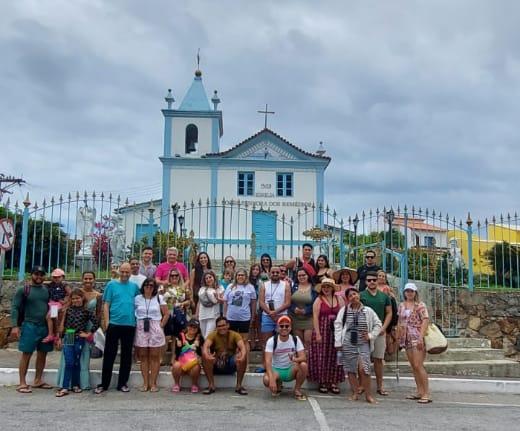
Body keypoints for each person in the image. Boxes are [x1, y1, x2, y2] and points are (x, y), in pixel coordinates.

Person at [95, 262, 140, 394]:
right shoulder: (111, 285)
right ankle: (104, 384)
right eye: (123, 271)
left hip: (129, 324)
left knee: (126, 356)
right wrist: (107, 322)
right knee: (109, 355)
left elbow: (139, 303)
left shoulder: (134, 287)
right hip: (114, 324)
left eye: (127, 272)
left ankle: (122, 383)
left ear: (130, 272)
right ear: (119, 271)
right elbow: (106, 304)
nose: (125, 274)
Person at [10, 266, 54, 393]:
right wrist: (14, 326)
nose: (39, 277)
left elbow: (52, 306)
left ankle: (38, 380)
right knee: (26, 354)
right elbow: (15, 308)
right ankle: (22, 383)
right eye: (36, 274)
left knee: (42, 354)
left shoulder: (46, 290)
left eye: (41, 274)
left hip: (44, 326)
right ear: (31, 275)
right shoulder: (23, 290)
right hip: (29, 325)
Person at [334, 288, 382, 404]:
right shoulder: (344, 310)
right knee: (350, 369)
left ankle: (368, 395)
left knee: (364, 368)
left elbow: (378, 324)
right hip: (348, 341)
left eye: (355, 294)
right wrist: (338, 342)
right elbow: (338, 325)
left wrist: (370, 335)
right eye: (350, 296)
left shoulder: (368, 311)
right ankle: (355, 392)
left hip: (363, 342)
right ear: (348, 299)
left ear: (359, 295)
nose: (353, 297)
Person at [56, 271, 102, 390]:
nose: (88, 281)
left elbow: (98, 315)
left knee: (83, 356)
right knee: (69, 357)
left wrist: (91, 333)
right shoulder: (76, 293)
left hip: (85, 330)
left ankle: (80, 383)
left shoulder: (98, 295)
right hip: (71, 331)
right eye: (85, 278)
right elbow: (65, 312)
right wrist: (59, 334)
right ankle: (65, 384)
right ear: (82, 279)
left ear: (94, 279)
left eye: (90, 278)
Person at [308, 278, 345, 394]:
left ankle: (334, 381)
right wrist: (318, 333)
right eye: (324, 287)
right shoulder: (318, 300)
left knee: (335, 355)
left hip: (336, 330)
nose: (326, 289)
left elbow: (343, 315)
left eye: (328, 287)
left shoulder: (339, 299)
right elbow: (315, 317)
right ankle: (322, 381)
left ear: (333, 288)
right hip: (323, 329)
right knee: (322, 355)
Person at [397, 283, 431, 404]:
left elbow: (425, 320)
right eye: (407, 291)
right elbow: (400, 322)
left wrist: (421, 337)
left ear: (415, 292)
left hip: (416, 336)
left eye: (411, 291)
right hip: (406, 338)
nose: (409, 293)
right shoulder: (401, 305)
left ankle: (426, 393)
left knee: (418, 365)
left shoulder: (420, 305)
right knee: (413, 366)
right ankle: (419, 391)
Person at [360, 271, 392, 396]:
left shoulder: (384, 296)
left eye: (374, 279)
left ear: (378, 281)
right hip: (365, 332)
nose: (372, 282)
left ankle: (380, 386)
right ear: (366, 282)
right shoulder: (361, 295)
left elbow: (389, 312)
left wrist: (384, 327)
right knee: (363, 360)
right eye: (369, 280)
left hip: (379, 332)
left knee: (378, 359)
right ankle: (362, 385)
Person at [134, 278, 169, 392]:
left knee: (154, 356)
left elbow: (166, 314)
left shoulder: (159, 298)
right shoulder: (137, 299)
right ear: (143, 286)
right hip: (141, 326)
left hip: (155, 326)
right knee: (143, 356)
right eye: (146, 285)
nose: (149, 287)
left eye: (151, 285)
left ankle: (153, 383)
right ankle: (145, 383)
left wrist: (161, 325)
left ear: (154, 287)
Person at [263, 316, 308, 400]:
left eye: (287, 326)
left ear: (290, 328)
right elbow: (267, 361)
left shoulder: (296, 339)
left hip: (290, 369)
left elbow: (303, 357)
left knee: (304, 365)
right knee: (266, 380)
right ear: (277, 328)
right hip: (276, 370)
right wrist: (272, 379)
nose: (284, 328)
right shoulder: (271, 341)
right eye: (281, 326)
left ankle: (297, 389)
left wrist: (295, 359)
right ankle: (278, 384)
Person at [201, 316, 248, 395]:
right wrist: (207, 355)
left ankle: (239, 386)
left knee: (242, 355)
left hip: (230, 363)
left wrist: (242, 356)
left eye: (223, 325)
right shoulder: (212, 335)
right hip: (216, 362)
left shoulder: (235, 335)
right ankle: (211, 385)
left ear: (228, 325)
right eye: (219, 326)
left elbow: (242, 347)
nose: (222, 328)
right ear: (216, 328)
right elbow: (206, 346)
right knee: (205, 356)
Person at [259, 266, 292, 352]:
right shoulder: (264, 285)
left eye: (277, 272)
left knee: (282, 343)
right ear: (269, 273)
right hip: (267, 317)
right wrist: (270, 313)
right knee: (266, 344)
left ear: (280, 273)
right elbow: (261, 302)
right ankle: (266, 365)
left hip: (282, 316)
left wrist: (275, 312)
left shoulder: (286, 285)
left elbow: (287, 303)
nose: (275, 274)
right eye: (273, 272)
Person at [223, 268, 257, 342]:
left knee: (244, 340)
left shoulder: (250, 287)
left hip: (244, 318)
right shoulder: (230, 286)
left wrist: (253, 316)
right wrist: (224, 316)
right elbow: (225, 302)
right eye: (238, 275)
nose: (240, 277)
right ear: (236, 276)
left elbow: (253, 303)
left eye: (242, 275)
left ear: (246, 277)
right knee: (231, 340)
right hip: (231, 318)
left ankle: (245, 354)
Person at [171, 318, 204, 393]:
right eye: (191, 326)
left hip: (193, 363)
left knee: (196, 367)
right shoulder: (180, 336)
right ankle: (176, 384)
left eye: (195, 327)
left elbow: (202, 353)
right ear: (187, 326)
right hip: (181, 363)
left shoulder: (200, 338)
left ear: (198, 328)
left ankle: (194, 384)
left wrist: (198, 347)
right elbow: (176, 352)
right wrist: (179, 346)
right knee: (176, 366)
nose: (192, 328)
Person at [289, 268, 317, 352]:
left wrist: (306, 310)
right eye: (299, 275)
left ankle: (308, 363)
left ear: (308, 275)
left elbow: (316, 303)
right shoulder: (294, 287)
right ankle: (301, 362)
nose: (301, 277)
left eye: (303, 275)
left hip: (309, 318)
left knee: (308, 342)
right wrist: (294, 309)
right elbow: (289, 302)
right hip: (296, 318)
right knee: (299, 343)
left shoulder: (314, 288)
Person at [42, 268, 71, 343]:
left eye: (59, 277)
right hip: (52, 303)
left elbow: (70, 294)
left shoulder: (64, 285)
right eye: (54, 277)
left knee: (49, 317)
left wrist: (65, 302)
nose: (56, 279)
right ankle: (56, 336)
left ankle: (51, 334)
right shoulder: (50, 285)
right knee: (55, 318)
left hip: (57, 304)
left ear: (63, 277)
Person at [196, 270, 224, 337]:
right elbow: (199, 302)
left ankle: (206, 347)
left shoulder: (220, 288)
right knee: (203, 336)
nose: (208, 279)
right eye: (206, 278)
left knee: (208, 337)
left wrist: (217, 297)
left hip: (213, 316)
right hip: (202, 315)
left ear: (214, 277)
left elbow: (222, 301)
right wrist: (197, 313)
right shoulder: (202, 289)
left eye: (210, 277)